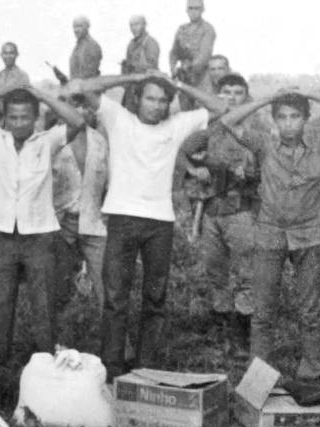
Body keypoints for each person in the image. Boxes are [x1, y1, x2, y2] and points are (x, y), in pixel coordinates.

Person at [71, 72, 227, 381]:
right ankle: (114, 369)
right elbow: (85, 87)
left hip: (160, 223)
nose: (156, 106)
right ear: (137, 99)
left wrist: (178, 84)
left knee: (154, 300)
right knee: (116, 299)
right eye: (150, 98)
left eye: (162, 100)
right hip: (122, 219)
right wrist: (142, 75)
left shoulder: (176, 125)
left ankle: (146, 369)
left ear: (169, 105)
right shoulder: (119, 119)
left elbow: (220, 107)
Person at [0, 84, 87, 409]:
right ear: (5, 117)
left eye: (26, 117)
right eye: (13, 116)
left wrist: (40, 94)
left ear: (35, 118)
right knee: (1, 306)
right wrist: (0, 94)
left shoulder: (47, 140)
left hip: (39, 235)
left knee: (43, 306)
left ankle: (45, 376)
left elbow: (78, 122)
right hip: (1, 235)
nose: (19, 123)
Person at [219, 88, 320, 391]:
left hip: (309, 234)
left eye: (295, 116)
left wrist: (309, 92)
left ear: (306, 119)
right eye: (281, 117)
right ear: (274, 120)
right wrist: (270, 98)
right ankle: (260, 377)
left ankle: (313, 374)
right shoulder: (264, 145)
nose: (288, 124)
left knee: (309, 309)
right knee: (263, 310)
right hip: (269, 233)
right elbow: (228, 120)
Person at [180, 74, 262, 329]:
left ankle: (245, 320)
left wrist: (249, 174)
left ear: (246, 97)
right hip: (212, 209)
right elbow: (182, 151)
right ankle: (221, 315)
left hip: (241, 208)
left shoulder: (254, 131)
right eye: (225, 92)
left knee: (247, 268)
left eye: (237, 93)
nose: (231, 98)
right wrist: (195, 170)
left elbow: (267, 168)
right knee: (215, 267)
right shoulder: (209, 129)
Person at [51, 94, 109, 327]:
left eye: (85, 105)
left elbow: (111, 182)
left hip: (94, 221)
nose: (81, 111)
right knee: (57, 284)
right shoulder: (51, 140)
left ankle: (114, 345)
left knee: (106, 282)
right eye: (74, 105)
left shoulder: (101, 142)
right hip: (60, 223)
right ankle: (52, 342)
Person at [169, 0, 216, 110]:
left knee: (202, 111)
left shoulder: (207, 29)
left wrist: (188, 67)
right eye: (190, 8)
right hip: (184, 78)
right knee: (186, 111)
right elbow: (174, 52)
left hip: (201, 78)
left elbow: (204, 56)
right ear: (186, 10)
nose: (193, 12)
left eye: (197, 8)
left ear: (202, 10)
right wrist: (173, 68)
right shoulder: (182, 29)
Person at [0, 42, 31, 125]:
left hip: (15, 122)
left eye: (11, 53)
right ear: (1, 55)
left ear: (17, 54)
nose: (8, 56)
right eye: (5, 53)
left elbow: (24, 102)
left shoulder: (22, 76)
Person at [121, 15, 160, 110]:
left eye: (137, 24)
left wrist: (134, 66)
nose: (134, 28)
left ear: (144, 25)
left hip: (145, 87)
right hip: (131, 87)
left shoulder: (151, 43)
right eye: (131, 25)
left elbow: (152, 66)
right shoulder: (131, 44)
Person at [69, 16, 103, 80]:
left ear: (87, 27)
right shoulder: (77, 47)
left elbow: (89, 75)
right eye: (74, 27)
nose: (75, 30)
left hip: (88, 88)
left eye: (79, 26)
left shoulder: (92, 46)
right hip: (76, 87)